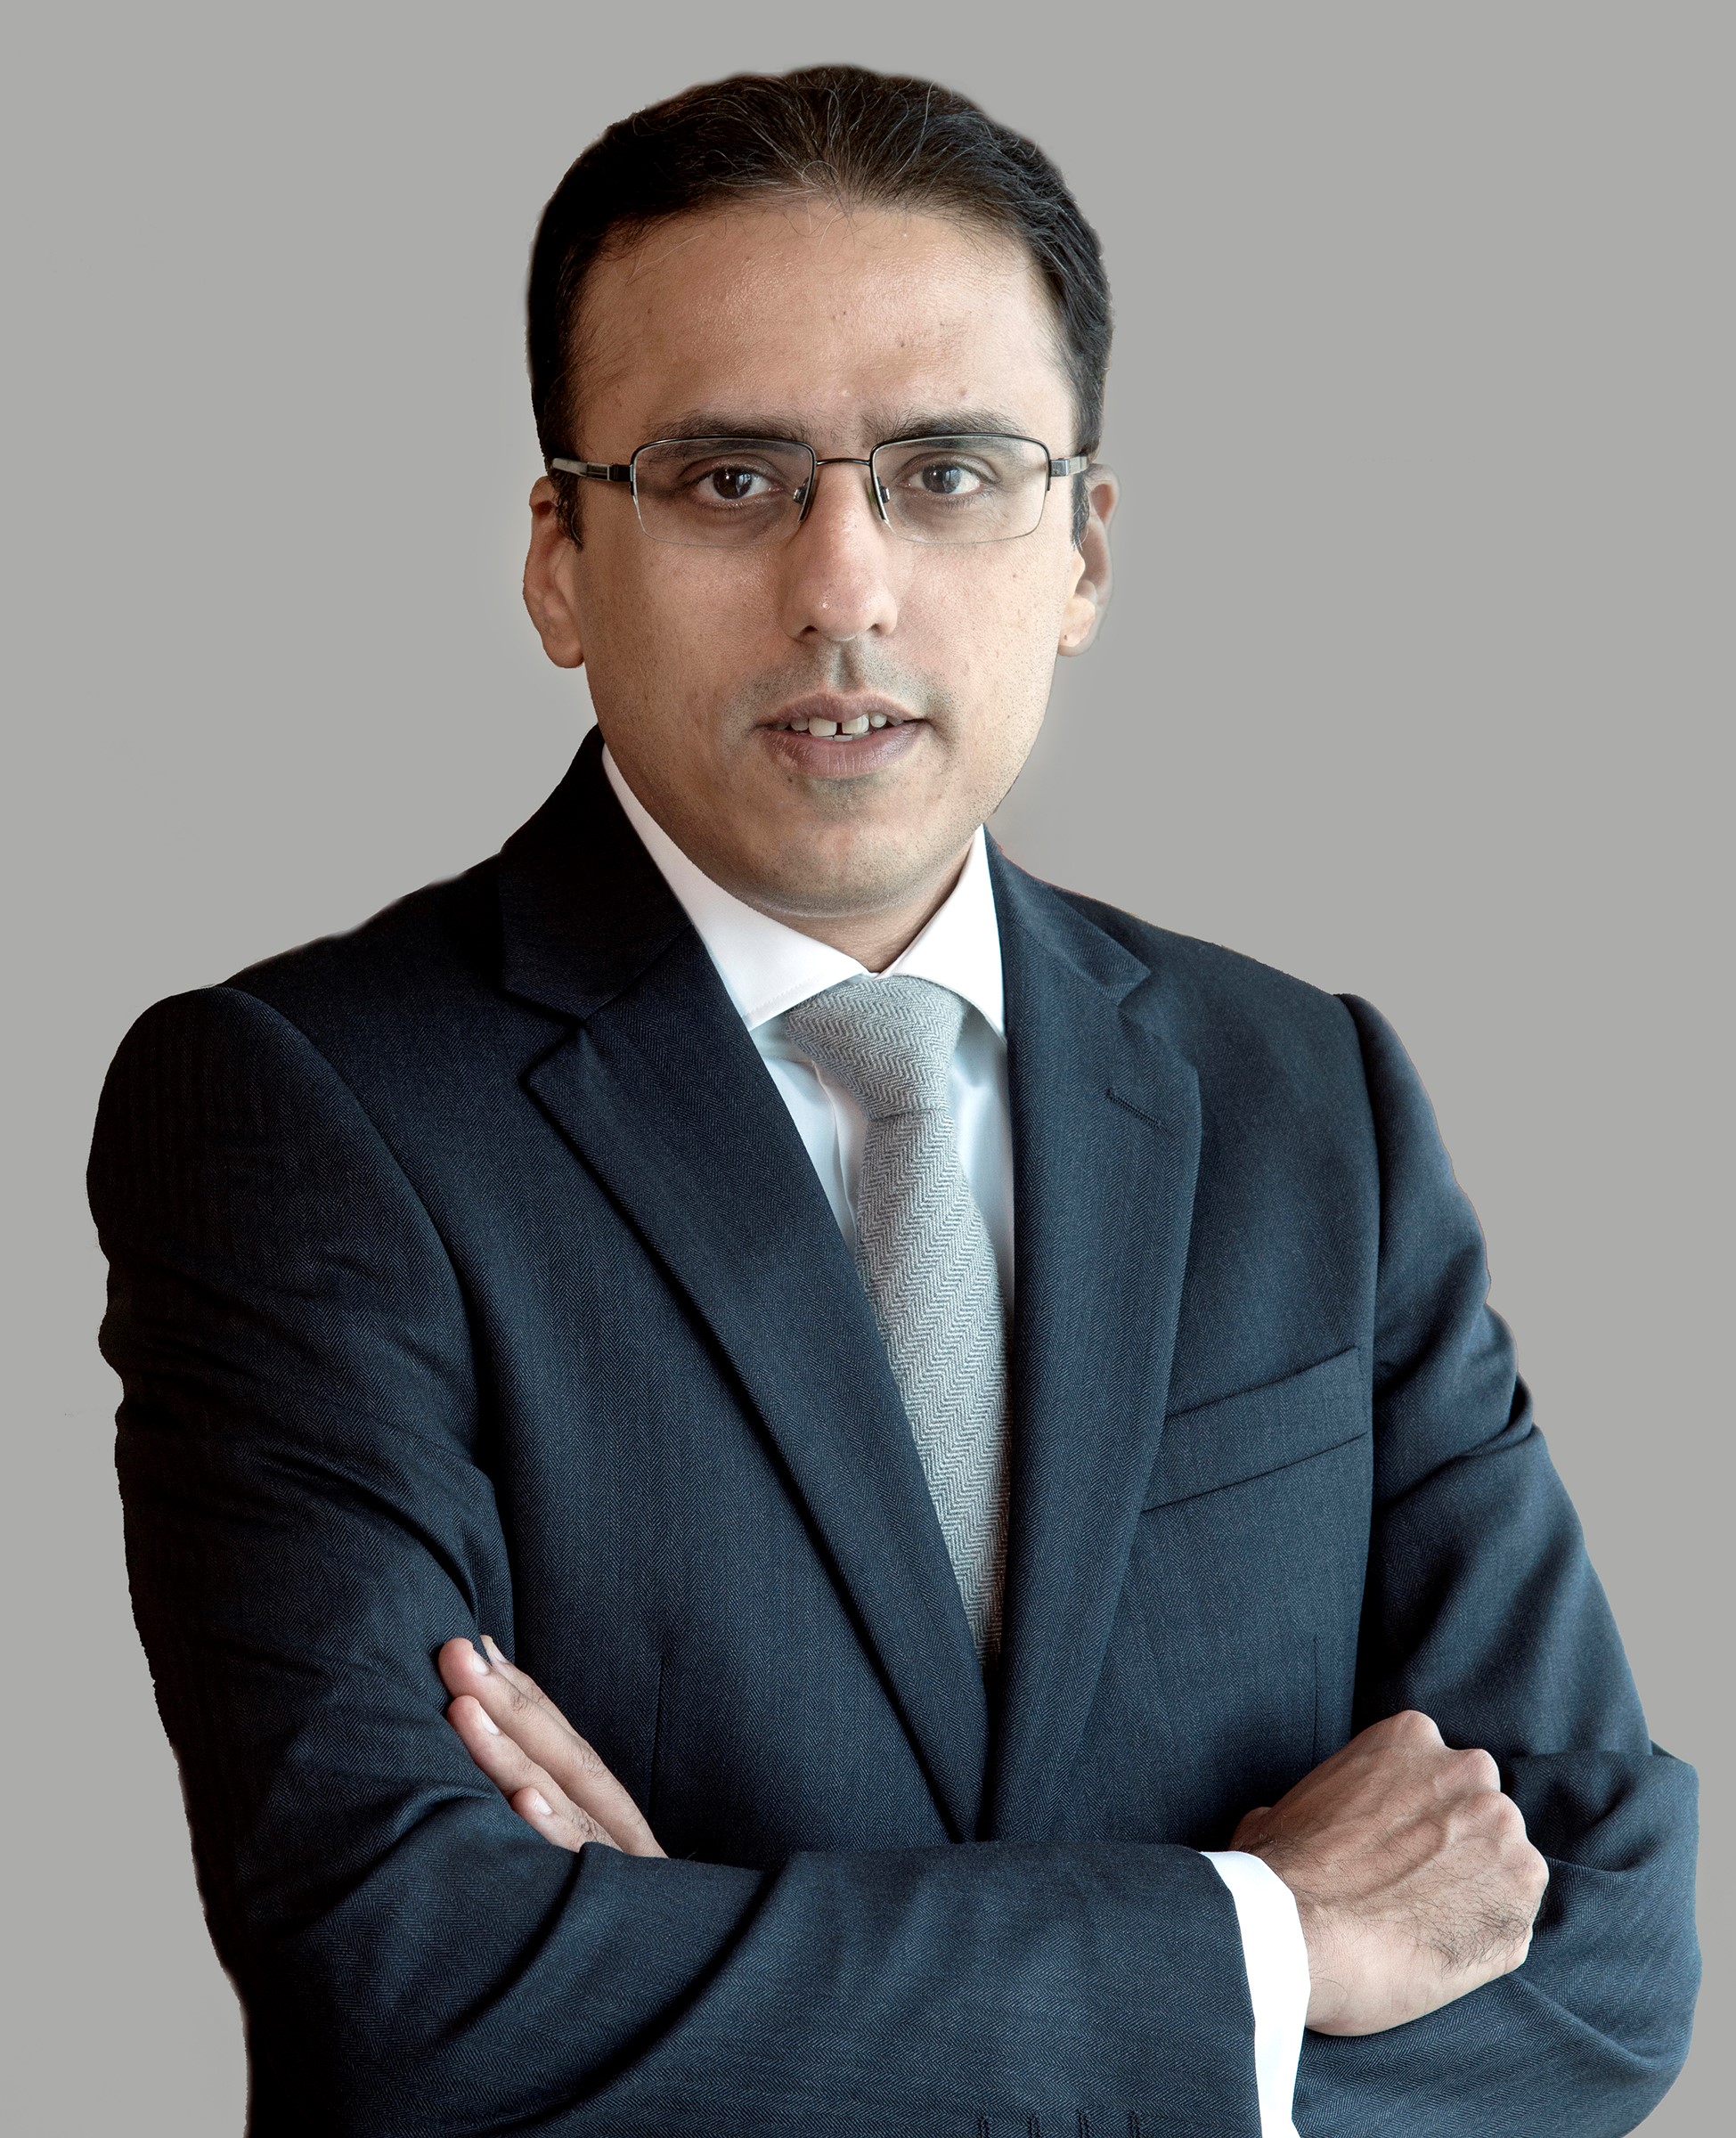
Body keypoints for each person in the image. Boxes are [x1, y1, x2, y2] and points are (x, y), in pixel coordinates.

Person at [89, 64, 1697, 2138]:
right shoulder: (307, 1117)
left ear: (1084, 549)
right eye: (728, 479)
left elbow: (1606, 1952)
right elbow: (411, 1992)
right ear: (560, 558)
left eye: (948, 473)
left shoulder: (1311, 1101)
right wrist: (1262, 1948)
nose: (844, 587)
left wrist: (694, 1983)